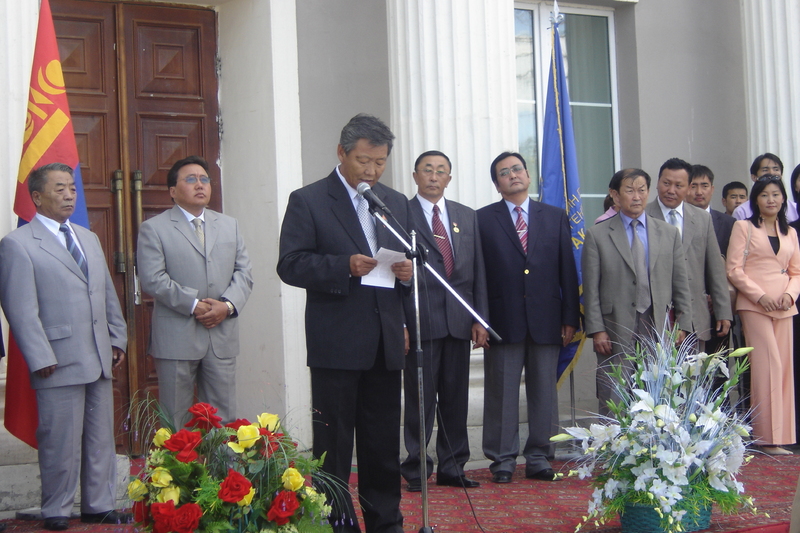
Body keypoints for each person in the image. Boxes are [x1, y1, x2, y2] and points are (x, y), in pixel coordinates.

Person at [277, 114, 411, 533]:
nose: (371, 171)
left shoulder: (395, 202)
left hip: (385, 343)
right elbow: (290, 264)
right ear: (341, 153)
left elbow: (408, 263)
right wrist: (343, 266)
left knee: (382, 444)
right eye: (363, 161)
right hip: (336, 343)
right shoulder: (310, 200)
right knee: (333, 447)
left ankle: (386, 522)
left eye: (380, 162)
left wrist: (409, 274)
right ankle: (336, 523)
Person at [0, 163, 128, 530]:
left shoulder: (88, 237)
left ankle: (98, 504)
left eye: (72, 188)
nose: (70, 195)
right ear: (37, 197)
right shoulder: (18, 244)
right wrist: (39, 355)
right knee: (60, 440)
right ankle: (56, 508)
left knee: (100, 438)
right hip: (56, 359)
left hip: (98, 355)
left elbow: (105, 293)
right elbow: (20, 308)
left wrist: (117, 337)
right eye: (60, 189)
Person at [476, 151, 580, 484]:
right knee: (501, 394)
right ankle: (502, 460)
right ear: (497, 184)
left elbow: (567, 270)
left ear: (528, 175)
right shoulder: (482, 219)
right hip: (501, 320)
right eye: (504, 172)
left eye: (517, 169)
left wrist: (570, 317)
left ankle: (539, 457)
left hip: (547, 319)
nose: (513, 175)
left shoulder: (555, 216)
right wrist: (480, 319)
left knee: (544, 393)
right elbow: (479, 276)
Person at [137, 155, 253, 426]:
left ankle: (220, 458)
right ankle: (178, 458)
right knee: (175, 420)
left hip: (221, 333)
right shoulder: (154, 228)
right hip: (177, 336)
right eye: (190, 179)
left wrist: (227, 306)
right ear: (173, 191)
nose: (200, 185)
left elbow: (244, 273)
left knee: (222, 420)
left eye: (204, 179)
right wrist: (193, 304)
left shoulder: (229, 225)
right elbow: (153, 278)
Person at [401, 150, 488, 492]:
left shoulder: (466, 216)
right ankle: (416, 468)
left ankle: (453, 466)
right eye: (427, 170)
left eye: (441, 171)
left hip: (459, 322)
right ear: (415, 176)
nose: (434, 176)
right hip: (421, 321)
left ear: (449, 178)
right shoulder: (401, 213)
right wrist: (400, 324)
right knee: (420, 401)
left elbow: (478, 271)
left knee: (455, 400)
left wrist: (479, 319)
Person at [583, 168, 692, 417]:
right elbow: (591, 289)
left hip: (656, 321)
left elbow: (680, 282)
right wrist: (597, 329)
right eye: (630, 190)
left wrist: (683, 323)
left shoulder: (668, 233)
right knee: (615, 391)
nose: (637, 196)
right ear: (615, 195)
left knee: (657, 390)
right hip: (614, 325)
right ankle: (615, 438)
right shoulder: (597, 235)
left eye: (642, 190)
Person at [727, 176, 800, 455]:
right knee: (767, 366)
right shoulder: (743, 227)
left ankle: (782, 436)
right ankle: (765, 437)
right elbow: (734, 269)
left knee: (784, 370)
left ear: (783, 199)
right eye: (765, 195)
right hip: (755, 305)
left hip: (784, 306)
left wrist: (790, 295)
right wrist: (760, 296)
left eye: (776, 194)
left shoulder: (790, 232)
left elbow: (796, 272)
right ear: (755, 200)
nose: (771, 199)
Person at [645, 158, 731, 351]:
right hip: (654, 315)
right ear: (657, 183)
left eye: (678, 185)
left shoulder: (702, 219)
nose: (671, 190)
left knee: (693, 369)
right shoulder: (644, 215)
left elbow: (715, 269)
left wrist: (723, 311)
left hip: (694, 315)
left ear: (688, 188)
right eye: (666, 183)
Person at [732, 153, 799, 222]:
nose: (771, 173)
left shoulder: (795, 208)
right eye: (765, 170)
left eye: (776, 169)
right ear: (754, 177)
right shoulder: (742, 212)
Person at [688, 164, 735, 256]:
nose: (699, 192)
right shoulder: (678, 220)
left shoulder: (728, 223)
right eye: (693, 186)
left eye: (704, 186)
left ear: (712, 189)